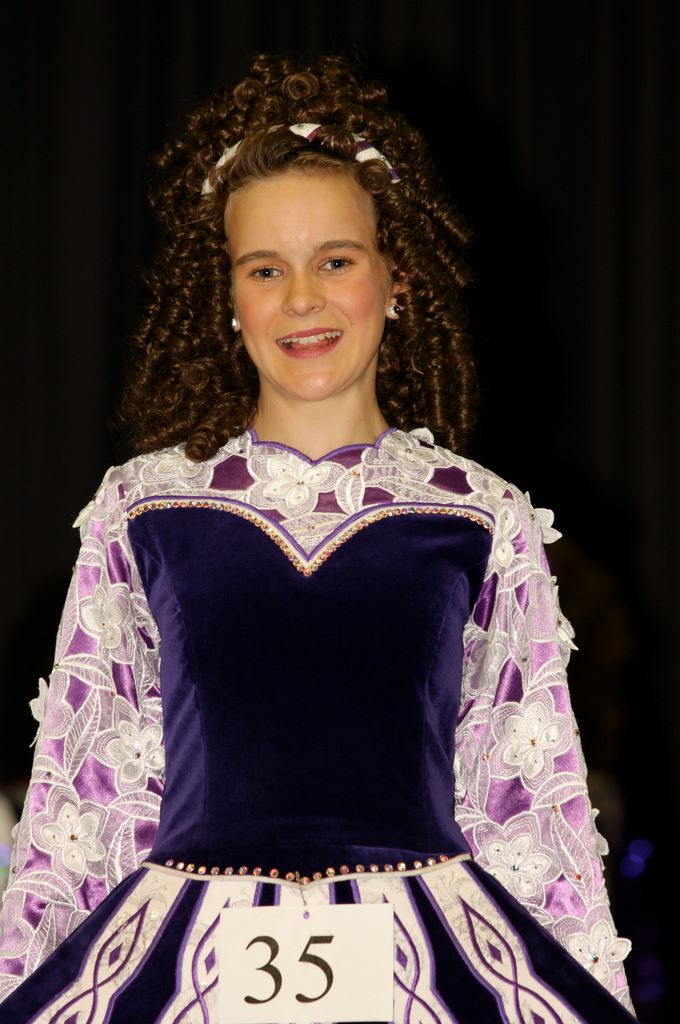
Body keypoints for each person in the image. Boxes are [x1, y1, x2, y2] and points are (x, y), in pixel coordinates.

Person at [0, 53, 636, 1022]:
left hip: (423, 968)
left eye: (335, 260)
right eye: (265, 268)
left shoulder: (481, 518)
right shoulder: (143, 510)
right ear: (227, 296)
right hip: (189, 970)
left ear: (396, 279)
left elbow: (528, 814)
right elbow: (81, 810)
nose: (301, 297)